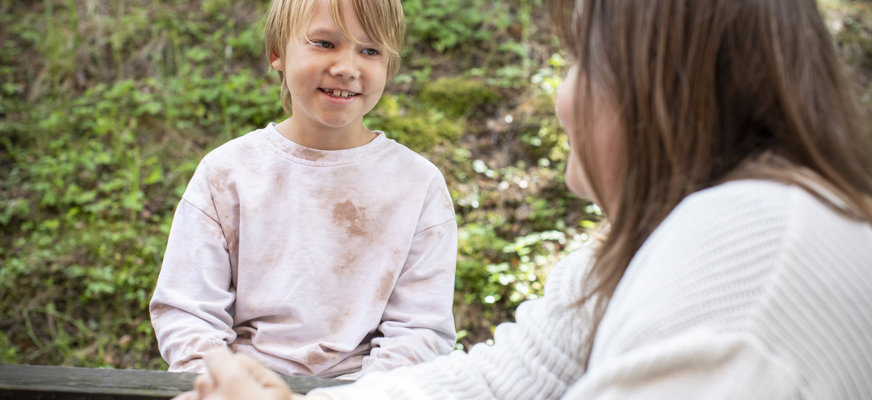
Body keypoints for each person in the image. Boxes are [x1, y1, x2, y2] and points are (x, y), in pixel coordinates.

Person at [172, 0, 872, 398]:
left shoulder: (739, 277)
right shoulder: (683, 236)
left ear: (660, 83)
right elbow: (516, 373)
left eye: (578, 60)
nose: (560, 96)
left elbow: (426, 339)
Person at [150, 0, 458, 380]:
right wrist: (224, 383)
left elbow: (420, 329)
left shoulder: (417, 183)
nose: (347, 68)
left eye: (370, 50)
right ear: (277, 52)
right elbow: (189, 314)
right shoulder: (227, 173)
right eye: (325, 43)